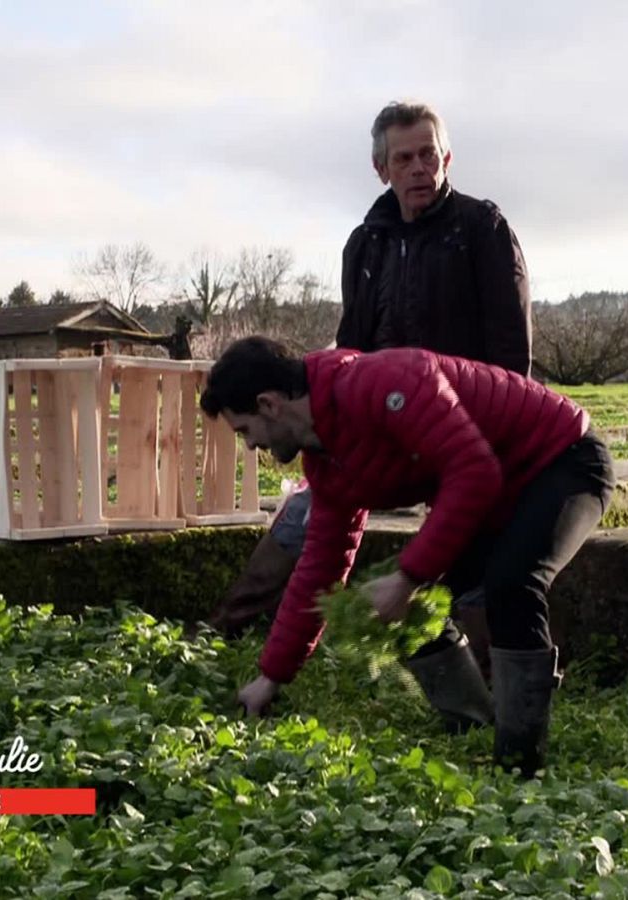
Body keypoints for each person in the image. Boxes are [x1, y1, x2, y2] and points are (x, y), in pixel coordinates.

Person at [205, 100, 535, 674]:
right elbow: (350, 346)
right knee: (301, 519)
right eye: (403, 158)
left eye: (428, 154)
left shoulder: (482, 230)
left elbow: (511, 355)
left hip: (461, 430)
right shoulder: (366, 245)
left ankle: (500, 687)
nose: (418, 168)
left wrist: (478, 449)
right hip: (375, 431)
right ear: (381, 168)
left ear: (446, 157)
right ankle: (216, 640)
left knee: (480, 558)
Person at [200, 337, 615, 776]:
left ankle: (520, 761)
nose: (249, 446)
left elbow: (474, 473)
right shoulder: (326, 462)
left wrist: (407, 576)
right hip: (498, 491)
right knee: (416, 607)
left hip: (563, 460)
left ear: (268, 404)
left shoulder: (383, 382)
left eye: (244, 431)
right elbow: (321, 566)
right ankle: (473, 723)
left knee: (512, 585)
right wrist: (272, 676)